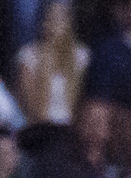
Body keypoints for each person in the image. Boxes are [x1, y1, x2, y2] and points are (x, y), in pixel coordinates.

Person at [15, 0, 89, 128]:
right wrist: (45, 67)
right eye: (49, 19)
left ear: (69, 22)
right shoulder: (28, 56)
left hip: (72, 129)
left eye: (59, 19)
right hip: (41, 128)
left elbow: (81, 106)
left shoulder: (82, 56)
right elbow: (33, 111)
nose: (53, 25)